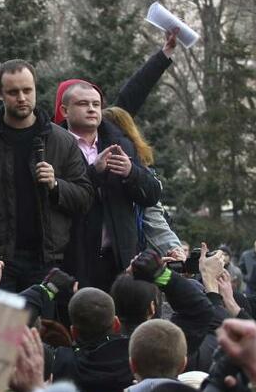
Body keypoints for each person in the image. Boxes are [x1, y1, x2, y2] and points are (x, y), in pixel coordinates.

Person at [0, 59, 93, 291]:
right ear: (0, 94)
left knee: (40, 328)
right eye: (13, 92)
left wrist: (56, 185)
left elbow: (85, 197)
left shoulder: (61, 140)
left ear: (35, 88)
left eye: (27, 90)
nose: (22, 98)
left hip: (47, 262)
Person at [54, 83, 169, 290]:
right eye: (83, 104)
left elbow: (151, 195)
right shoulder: (54, 145)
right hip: (75, 259)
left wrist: (131, 173)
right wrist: (94, 172)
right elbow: (59, 197)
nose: (91, 109)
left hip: (119, 260)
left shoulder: (120, 144)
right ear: (64, 111)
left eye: (96, 104)